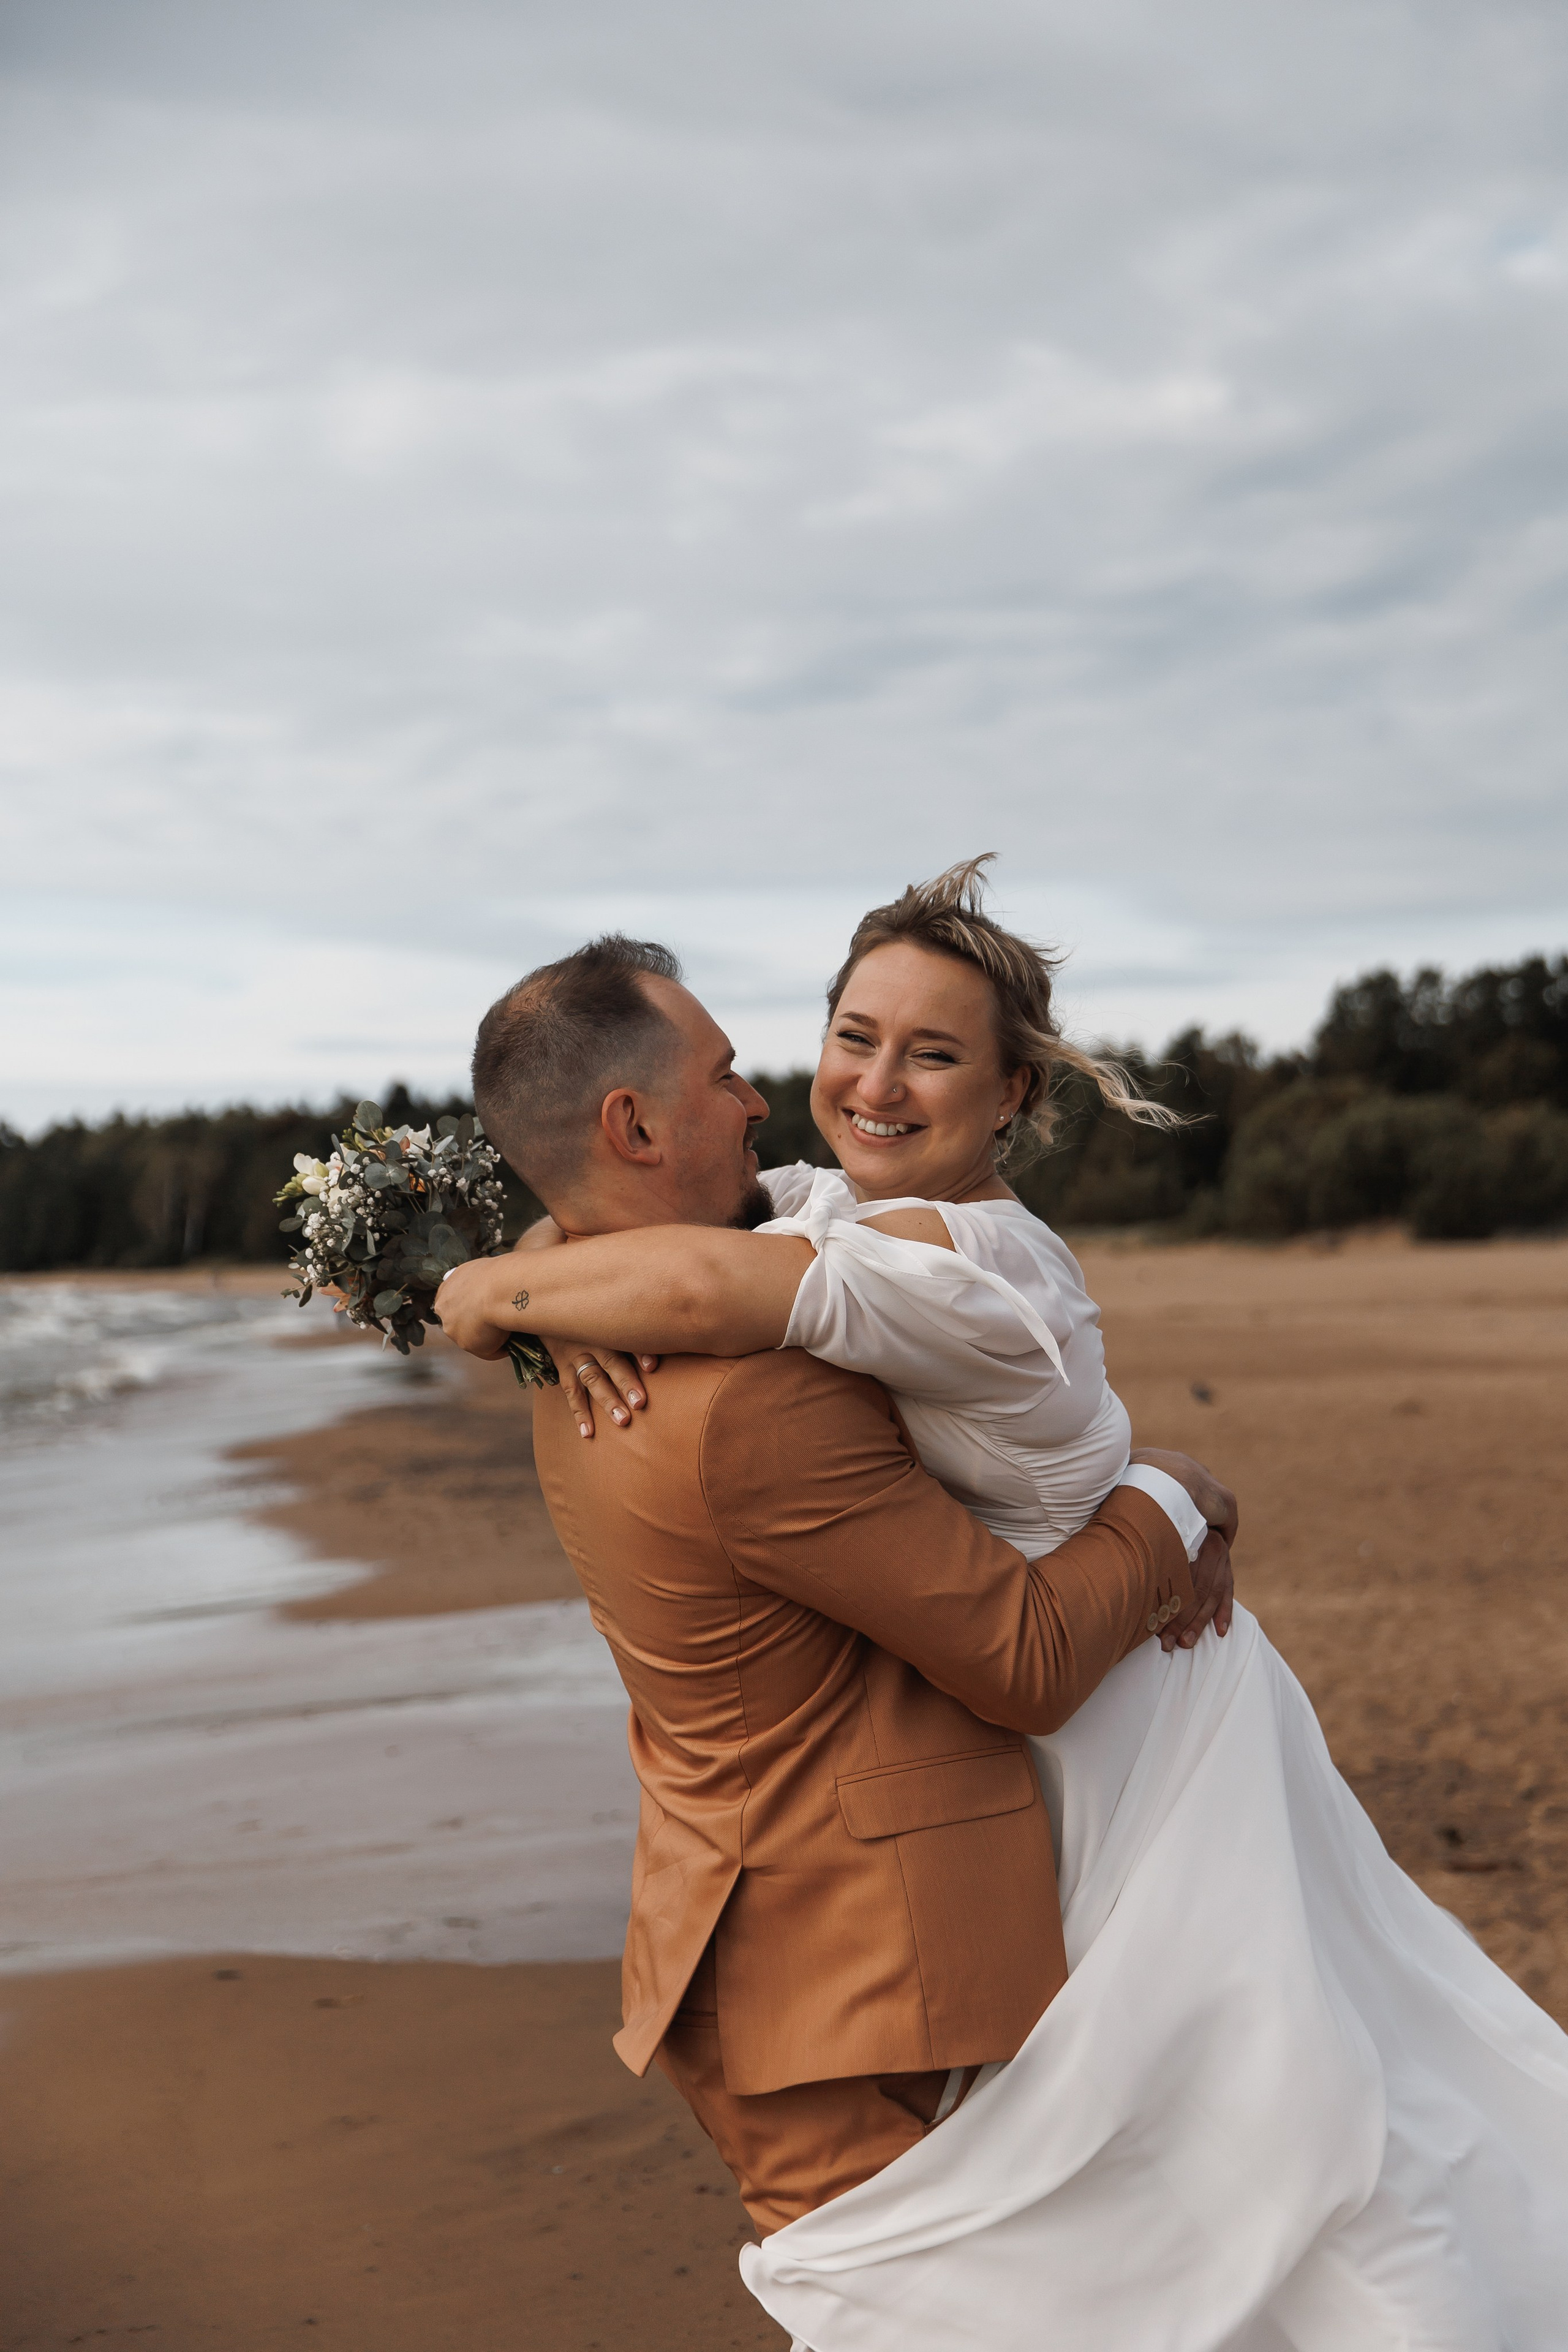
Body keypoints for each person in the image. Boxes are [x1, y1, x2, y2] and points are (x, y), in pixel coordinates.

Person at [437, 862, 1568, 2351]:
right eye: (851, 1035)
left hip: (1141, 1721)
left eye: (934, 1052)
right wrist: (517, 1266)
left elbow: (719, 1292)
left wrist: (498, 1292)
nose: (857, 1085)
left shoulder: (961, 1264)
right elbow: (675, 1234)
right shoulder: (832, 1209)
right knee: (1198, 2157)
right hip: (1021, 1744)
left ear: (1014, 1093)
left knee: (1285, 2137)